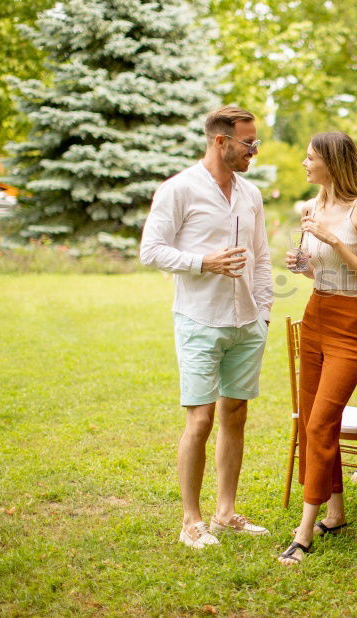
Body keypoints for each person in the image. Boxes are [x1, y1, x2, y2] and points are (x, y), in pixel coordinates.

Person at [139, 106, 273, 549]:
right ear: (221, 142)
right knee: (201, 419)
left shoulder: (250, 193)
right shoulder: (178, 190)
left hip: (247, 322)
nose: (254, 150)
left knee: (236, 414)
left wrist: (265, 312)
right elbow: (151, 251)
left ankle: (225, 513)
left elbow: (262, 256)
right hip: (199, 320)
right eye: (248, 143)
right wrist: (203, 262)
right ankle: (190, 521)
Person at [280, 131, 357, 565]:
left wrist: (334, 241)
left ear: (332, 162)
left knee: (321, 423)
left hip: (350, 322)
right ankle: (335, 515)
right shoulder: (310, 208)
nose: (304, 164)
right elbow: (316, 271)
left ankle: (305, 532)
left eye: (310, 158)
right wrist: (302, 264)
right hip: (316, 313)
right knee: (312, 420)